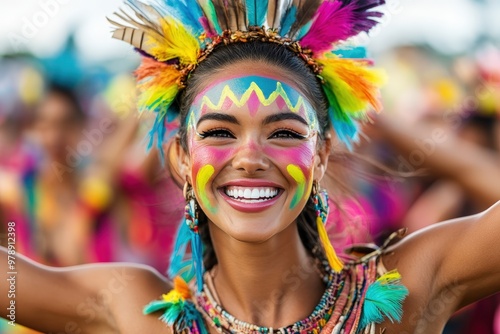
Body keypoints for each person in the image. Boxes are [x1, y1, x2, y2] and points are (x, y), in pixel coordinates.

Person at [1, 1, 500, 333]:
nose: (250, 158)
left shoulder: (411, 286)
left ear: (322, 154)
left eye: (284, 133)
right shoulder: (134, 310)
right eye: (219, 132)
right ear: (179, 159)